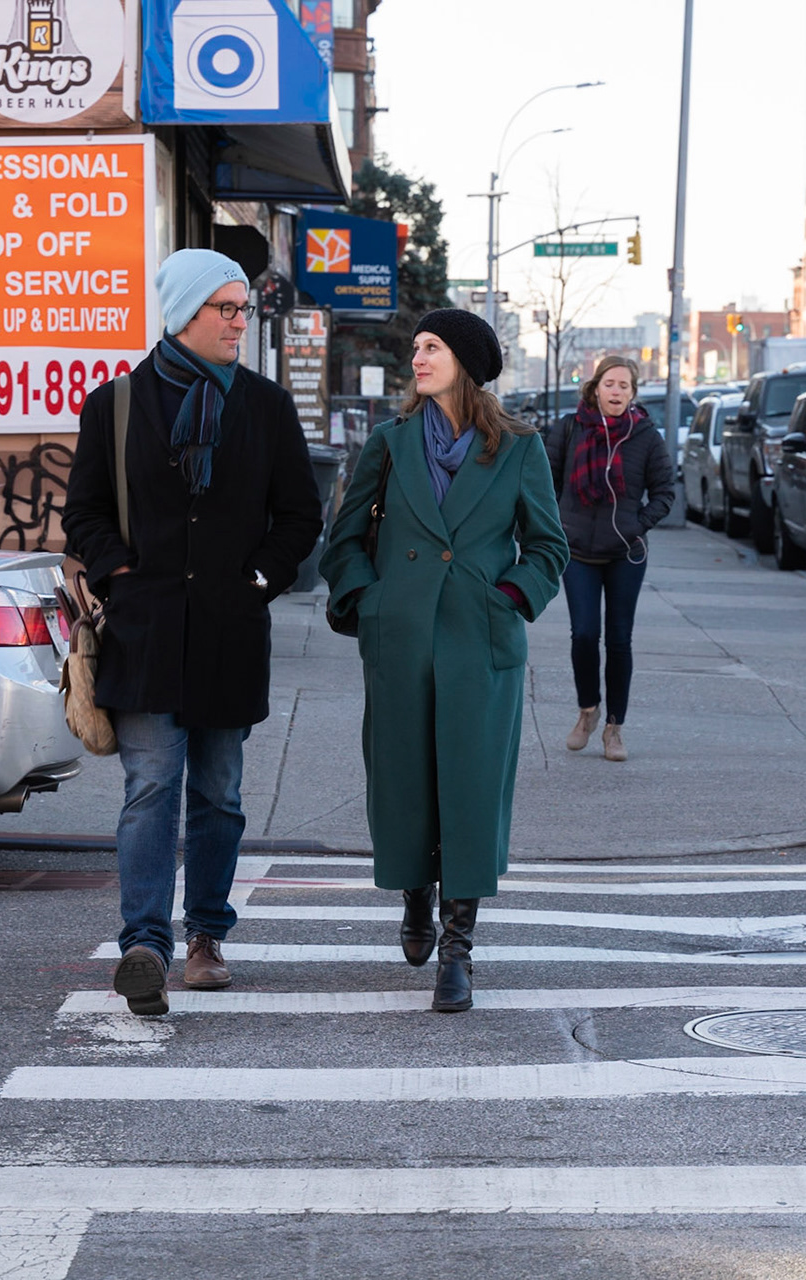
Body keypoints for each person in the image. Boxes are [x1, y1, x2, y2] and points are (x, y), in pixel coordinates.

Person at [62, 248, 323, 1017]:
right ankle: (145, 944)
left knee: (219, 793)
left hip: (228, 631)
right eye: (227, 309)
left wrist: (257, 579)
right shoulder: (112, 406)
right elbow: (84, 512)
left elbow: (301, 517)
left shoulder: (266, 408)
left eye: (246, 310)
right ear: (182, 313)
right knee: (150, 789)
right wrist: (120, 575)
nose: (240, 323)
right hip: (143, 633)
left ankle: (207, 935)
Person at [320, 309, 567, 1012]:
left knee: (471, 788)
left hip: (479, 641)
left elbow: (549, 546)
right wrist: (370, 602)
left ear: (464, 361)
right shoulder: (391, 443)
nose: (417, 358)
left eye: (430, 348)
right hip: (400, 638)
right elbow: (341, 540)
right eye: (416, 348)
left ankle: (458, 950)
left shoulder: (517, 448)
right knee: (404, 782)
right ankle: (414, 896)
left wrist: (511, 596)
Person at [544, 356, 674, 762]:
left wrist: (638, 525)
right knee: (584, 634)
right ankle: (588, 710)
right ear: (595, 387)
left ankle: (614, 728)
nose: (616, 392)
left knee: (619, 640)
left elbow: (666, 491)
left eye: (625, 386)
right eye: (610, 384)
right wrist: (557, 526)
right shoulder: (569, 428)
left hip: (625, 554)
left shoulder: (646, 437)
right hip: (577, 550)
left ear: (633, 393)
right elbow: (544, 482)